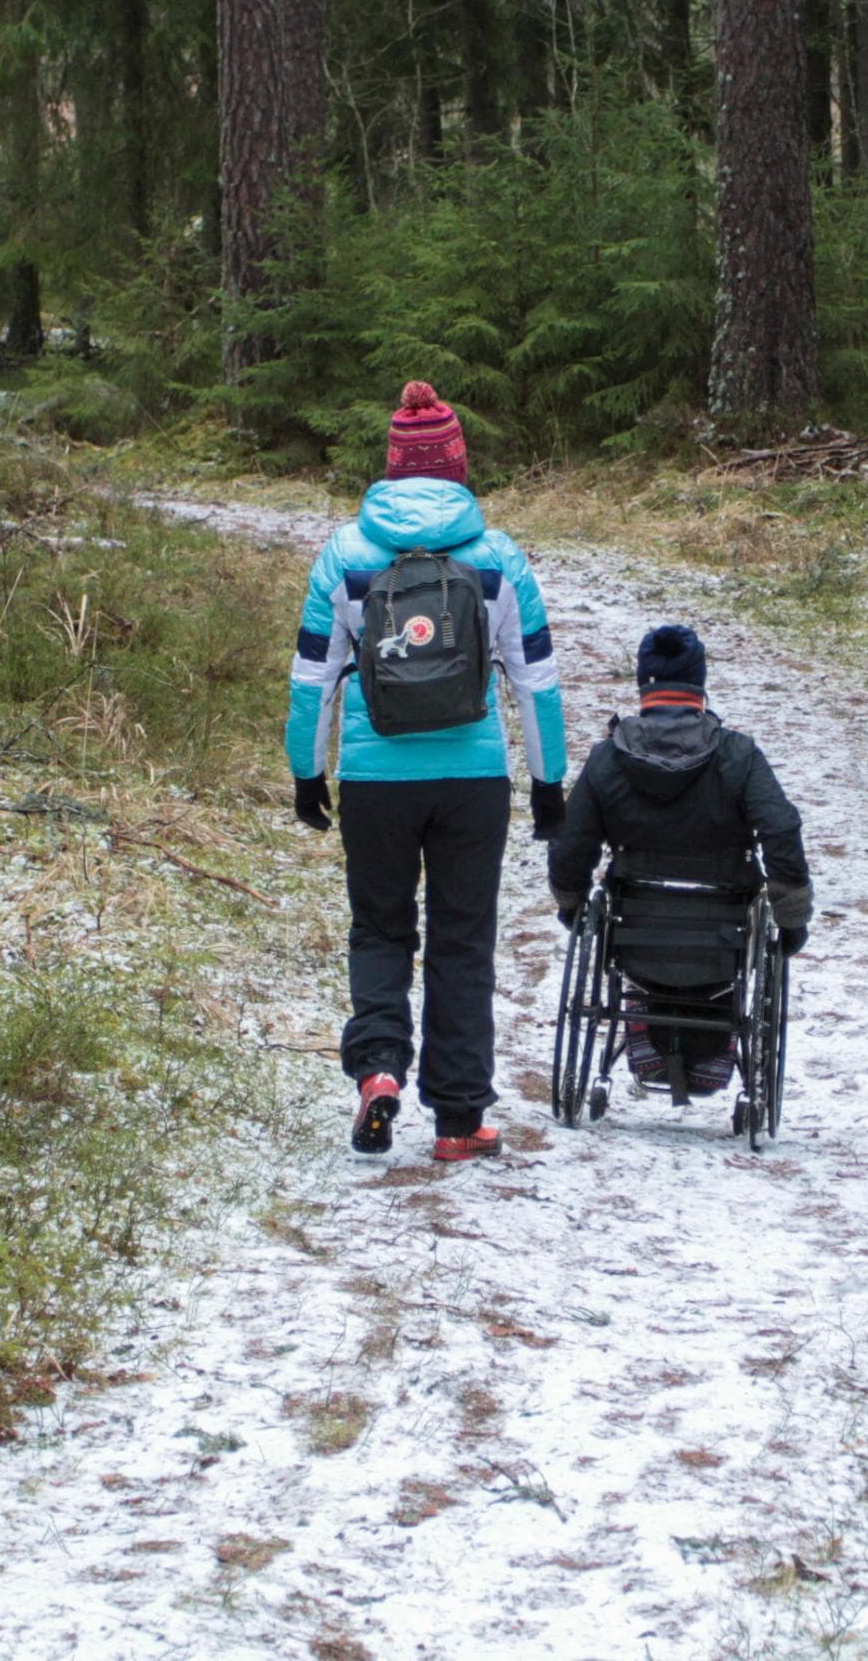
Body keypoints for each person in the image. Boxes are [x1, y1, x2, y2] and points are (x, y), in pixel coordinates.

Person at [286, 382, 567, 1164]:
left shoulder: (345, 556)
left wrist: (308, 771)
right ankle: (457, 1120)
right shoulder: (497, 557)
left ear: (392, 467)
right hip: (471, 779)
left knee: (379, 928)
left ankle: (378, 1070)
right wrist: (549, 783)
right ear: (456, 467)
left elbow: (313, 678)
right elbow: (535, 679)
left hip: (375, 780)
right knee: (462, 941)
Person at [546, 625, 809, 1098]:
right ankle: (713, 1049)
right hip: (723, 934)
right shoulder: (738, 755)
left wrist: (572, 903)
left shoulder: (608, 757)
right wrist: (790, 919)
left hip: (634, 927)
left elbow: (572, 843)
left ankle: (644, 1038)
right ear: (700, 684)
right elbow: (781, 830)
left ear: (643, 682)